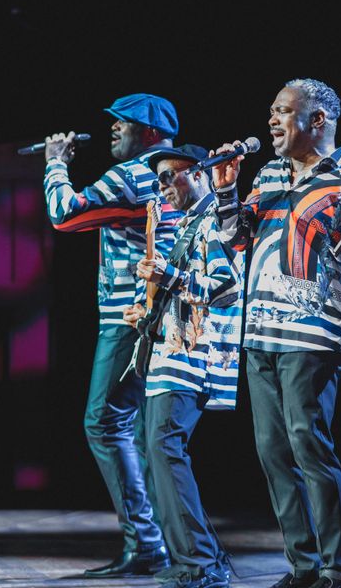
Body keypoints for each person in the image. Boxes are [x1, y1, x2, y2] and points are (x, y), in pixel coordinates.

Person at [210, 78, 341, 588]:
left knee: (307, 443)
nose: (272, 119)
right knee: (272, 451)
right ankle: (304, 566)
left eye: (283, 110)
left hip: (314, 334)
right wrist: (225, 190)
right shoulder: (269, 173)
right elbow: (235, 240)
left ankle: (338, 570)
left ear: (318, 120)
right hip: (260, 333)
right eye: (271, 110)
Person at [43, 93, 182, 577]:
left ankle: (145, 542)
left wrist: (56, 163)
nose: (113, 129)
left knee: (104, 423)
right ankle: (163, 542)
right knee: (140, 431)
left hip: (130, 317)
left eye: (123, 123)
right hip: (168, 318)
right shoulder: (178, 174)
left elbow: (64, 214)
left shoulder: (132, 174)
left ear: (149, 133)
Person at [126, 144, 245, 588]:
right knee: (159, 450)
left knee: (164, 446)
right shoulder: (186, 225)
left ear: (197, 174)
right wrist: (147, 311)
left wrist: (169, 278)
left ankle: (200, 564)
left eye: (168, 176)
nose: (161, 187)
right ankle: (198, 558)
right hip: (172, 349)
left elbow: (227, 286)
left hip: (194, 352)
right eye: (158, 180)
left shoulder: (216, 218)